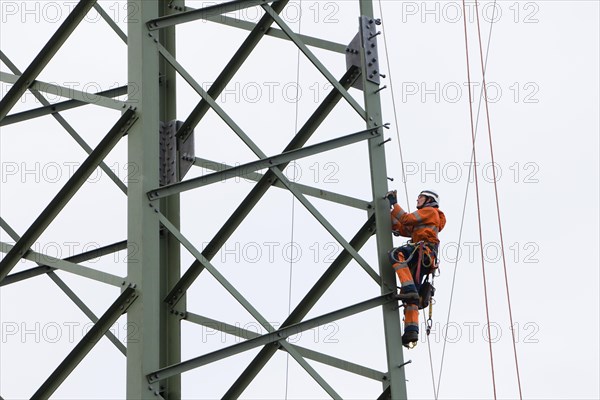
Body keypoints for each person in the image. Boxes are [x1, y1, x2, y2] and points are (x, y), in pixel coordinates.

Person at [386, 189, 446, 348]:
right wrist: (389, 212)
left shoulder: (430, 212)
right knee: (410, 297)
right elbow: (401, 228)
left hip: (422, 253)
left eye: (421, 197)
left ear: (429, 200)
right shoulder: (424, 220)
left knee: (395, 255)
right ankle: (411, 333)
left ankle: (409, 286)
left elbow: (406, 219)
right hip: (423, 257)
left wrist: (394, 203)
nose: (417, 198)